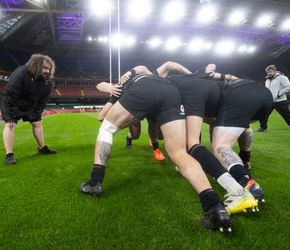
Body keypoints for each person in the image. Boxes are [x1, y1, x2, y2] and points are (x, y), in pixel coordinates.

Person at [79, 68, 232, 232]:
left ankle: (95, 182)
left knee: (107, 129)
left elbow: (101, 114)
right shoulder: (144, 74)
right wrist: (130, 73)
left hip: (144, 90)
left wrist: (112, 90)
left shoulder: (120, 87)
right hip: (171, 92)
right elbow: (142, 68)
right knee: (179, 152)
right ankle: (215, 208)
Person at [152, 61, 258, 215]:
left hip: (193, 93)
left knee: (191, 144)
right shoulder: (197, 77)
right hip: (225, 94)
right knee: (232, 134)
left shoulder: (163, 84)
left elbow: (167, 65)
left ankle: (237, 190)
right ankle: (247, 180)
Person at [204, 64, 272, 202]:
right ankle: (245, 159)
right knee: (244, 127)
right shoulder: (218, 84)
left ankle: (245, 180)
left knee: (220, 147)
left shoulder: (196, 91)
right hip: (264, 94)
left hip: (239, 96)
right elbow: (215, 121)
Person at [0, 54, 57, 165]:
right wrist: (13, 114)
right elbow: (12, 95)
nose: (47, 71)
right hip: (11, 101)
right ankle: (9, 155)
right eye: (44, 68)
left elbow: (43, 100)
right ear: (36, 66)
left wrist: (37, 112)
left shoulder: (47, 81)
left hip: (30, 102)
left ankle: (42, 148)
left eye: (48, 69)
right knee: (11, 125)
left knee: (38, 123)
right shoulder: (21, 73)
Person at [98, 86, 166, 161]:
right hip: (134, 112)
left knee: (160, 135)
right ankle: (129, 138)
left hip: (148, 107)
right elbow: (100, 85)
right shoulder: (123, 87)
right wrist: (109, 88)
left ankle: (156, 149)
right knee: (135, 135)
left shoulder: (149, 86)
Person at [257, 64, 290, 135]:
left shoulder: (282, 77)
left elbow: (289, 87)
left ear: (275, 71)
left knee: (287, 116)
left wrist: (278, 94)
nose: (269, 73)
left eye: (270, 71)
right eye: (267, 72)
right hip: (269, 101)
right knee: (263, 115)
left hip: (280, 101)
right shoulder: (267, 80)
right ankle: (263, 128)